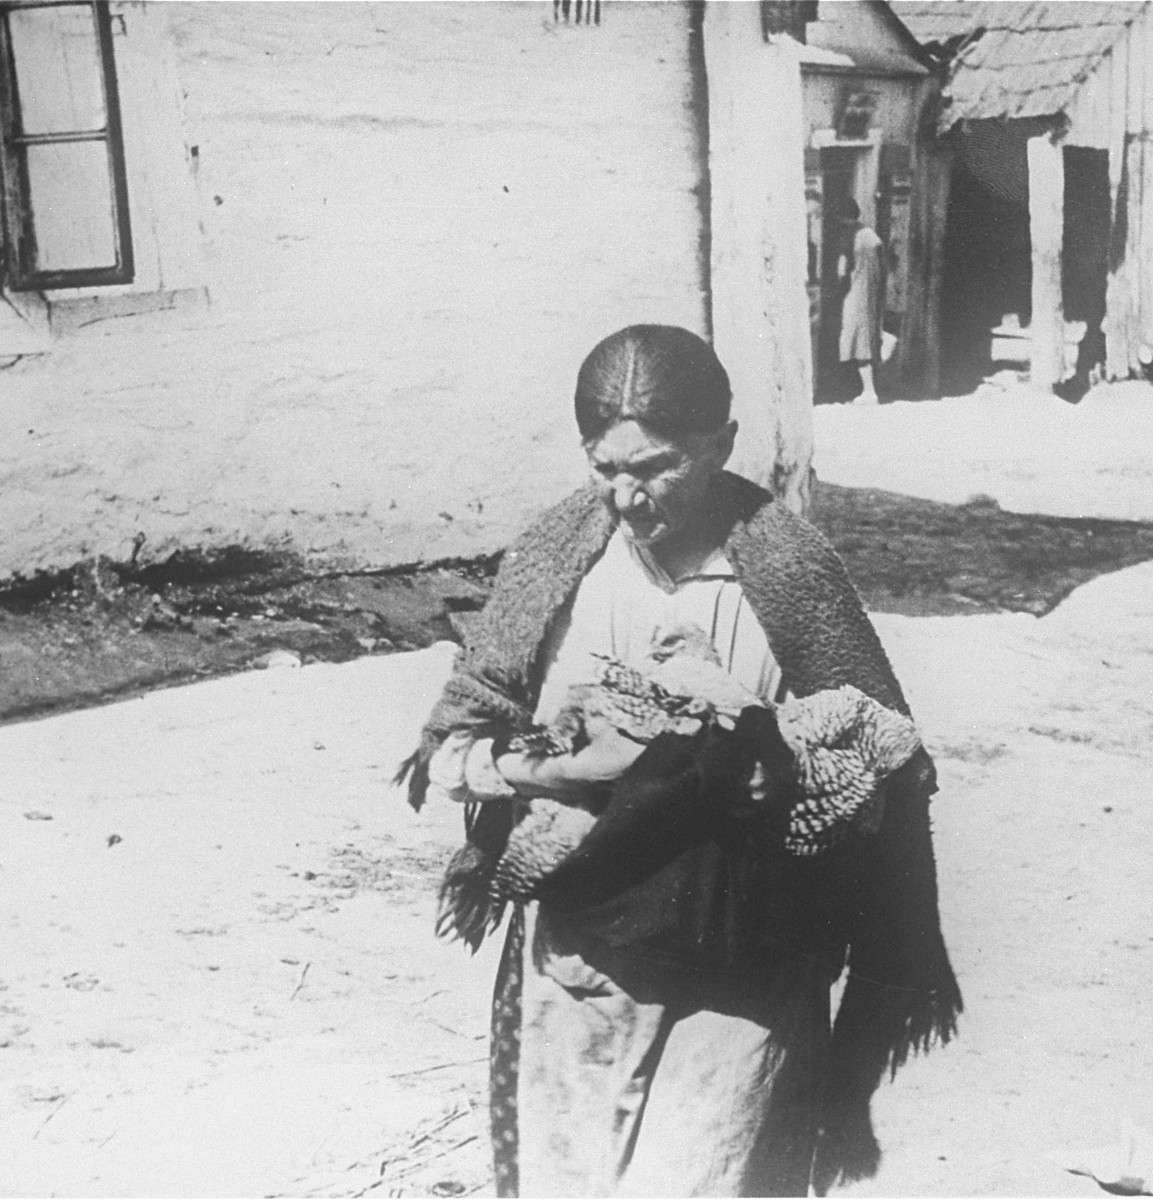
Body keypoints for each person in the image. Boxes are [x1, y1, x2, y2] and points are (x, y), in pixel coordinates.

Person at [399, 325, 959, 1197]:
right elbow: (455, 742)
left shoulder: (786, 567)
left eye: (656, 466)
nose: (627, 496)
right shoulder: (560, 558)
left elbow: (888, 756)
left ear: (721, 445)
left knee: (705, 1179)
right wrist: (543, 772)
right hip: (585, 952)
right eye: (604, 468)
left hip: (746, 961)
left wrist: (792, 774)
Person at [836, 197, 884, 405]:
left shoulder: (850, 236)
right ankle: (867, 390)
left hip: (855, 293)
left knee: (854, 342)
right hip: (872, 295)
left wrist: (838, 290)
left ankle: (868, 391)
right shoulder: (872, 235)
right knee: (866, 340)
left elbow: (841, 270)